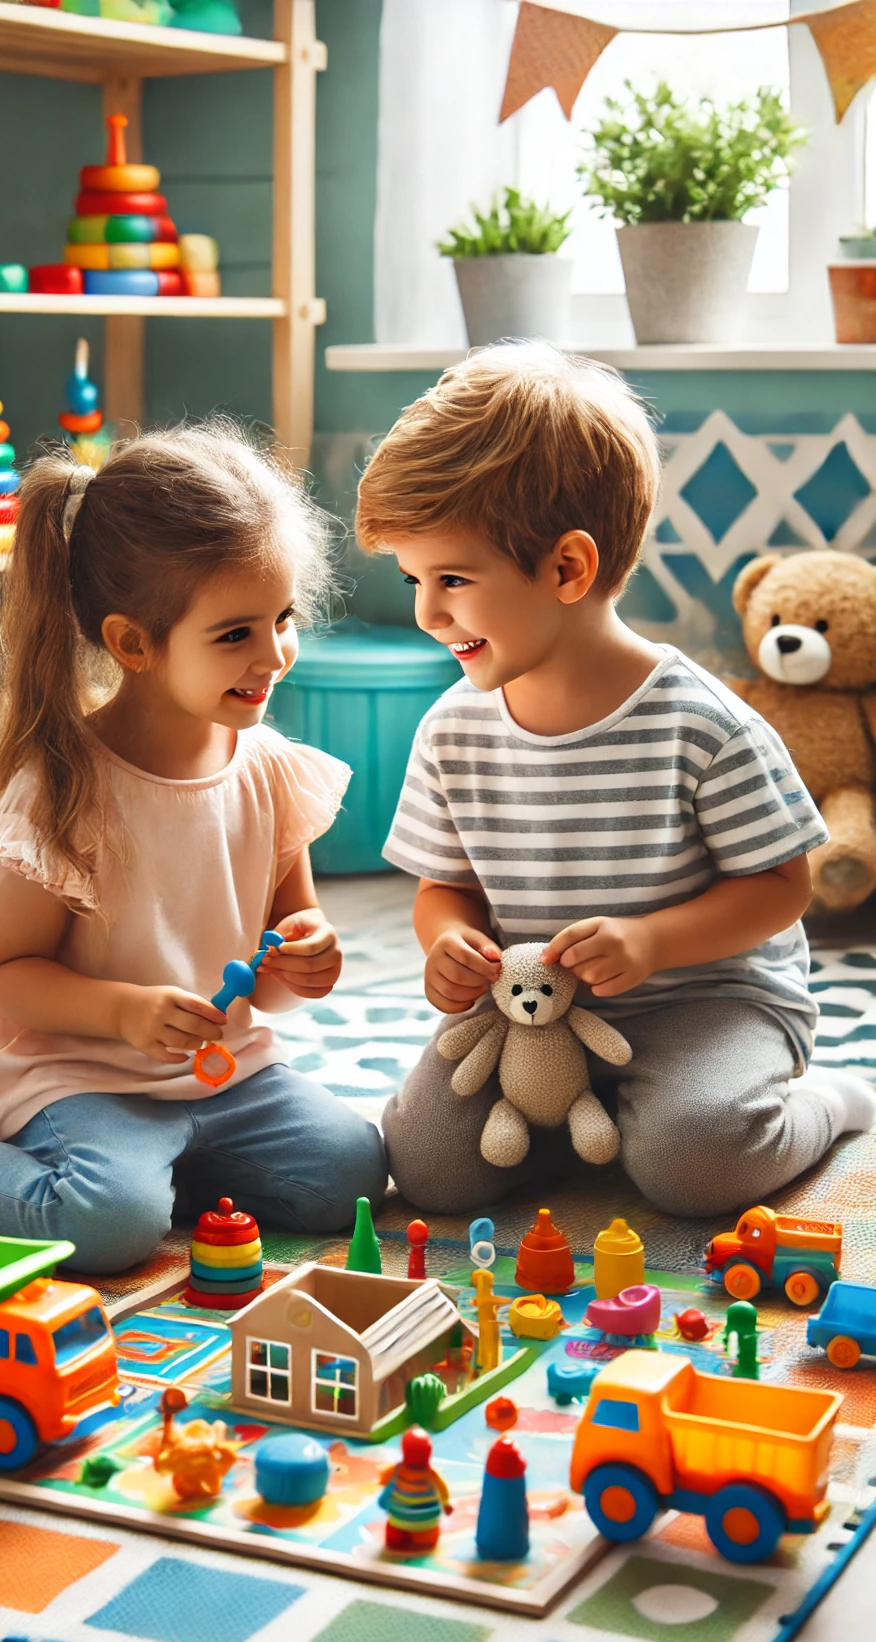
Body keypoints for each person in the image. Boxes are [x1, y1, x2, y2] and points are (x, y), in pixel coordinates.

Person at [355, 342, 875, 1219]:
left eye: (451, 579)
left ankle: (835, 1102)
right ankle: (580, 1119)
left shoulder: (703, 724)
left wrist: (653, 943)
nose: (427, 612)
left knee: (694, 1165)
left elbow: (783, 888)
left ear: (567, 569)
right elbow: (444, 886)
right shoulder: (453, 728)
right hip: (531, 1014)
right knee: (430, 1169)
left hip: (705, 999)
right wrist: (446, 941)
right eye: (413, 579)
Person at [0, 424, 386, 1272]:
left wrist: (308, 961)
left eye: (283, 619)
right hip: (79, 1075)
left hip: (220, 1075)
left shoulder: (269, 770)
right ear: (132, 644)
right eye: (235, 635)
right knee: (108, 1227)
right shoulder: (64, 789)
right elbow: (6, 977)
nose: (275, 655)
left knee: (353, 1175)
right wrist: (122, 1012)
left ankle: (165, 1167)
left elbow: (284, 938)